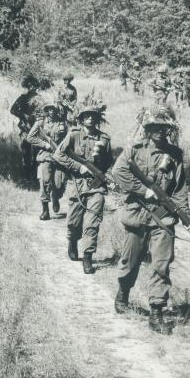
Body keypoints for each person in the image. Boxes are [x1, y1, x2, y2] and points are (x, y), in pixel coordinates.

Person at [112, 105, 190, 333]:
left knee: (161, 264)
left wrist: (184, 217)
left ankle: (156, 312)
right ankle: (124, 291)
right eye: (155, 126)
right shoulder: (134, 149)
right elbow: (118, 172)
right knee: (130, 261)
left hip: (163, 218)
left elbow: (179, 189)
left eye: (164, 127)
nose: (160, 131)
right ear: (147, 128)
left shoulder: (175, 154)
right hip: (138, 215)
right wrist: (142, 190)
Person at [53, 103, 113, 274]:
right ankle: (72, 242)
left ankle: (87, 257)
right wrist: (78, 167)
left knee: (92, 224)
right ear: (81, 119)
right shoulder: (73, 135)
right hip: (77, 185)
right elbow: (58, 155)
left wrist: (98, 170)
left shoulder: (105, 139)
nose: (90, 118)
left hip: (96, 187)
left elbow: (109, 161)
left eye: (94, 116)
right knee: (73, 223)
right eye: (87, 115)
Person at [27, 103, 67, 220]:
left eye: (53, 109)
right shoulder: (41, 123)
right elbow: (30, 137)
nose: (51, 112)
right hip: (45, 156)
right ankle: (45, 211)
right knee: (45, 182)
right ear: (46, 111)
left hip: (59, 157)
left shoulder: (62, 123)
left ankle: (56, 197)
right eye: (49, 110)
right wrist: (44, 144)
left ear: (56, 110)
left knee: (59, 183)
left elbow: (68, 139)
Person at [10, 74, 41, 181]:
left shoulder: (39, 98)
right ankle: (27, 176)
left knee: (37, 152)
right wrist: (23, 115)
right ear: (27, 85)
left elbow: (44, 111)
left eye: (34, 85)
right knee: (25, 152)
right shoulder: (22, 97)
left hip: (37, 128)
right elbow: (13, 110)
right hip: (25, 128)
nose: (32, 87)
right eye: (30, 85)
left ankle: (35, 175)